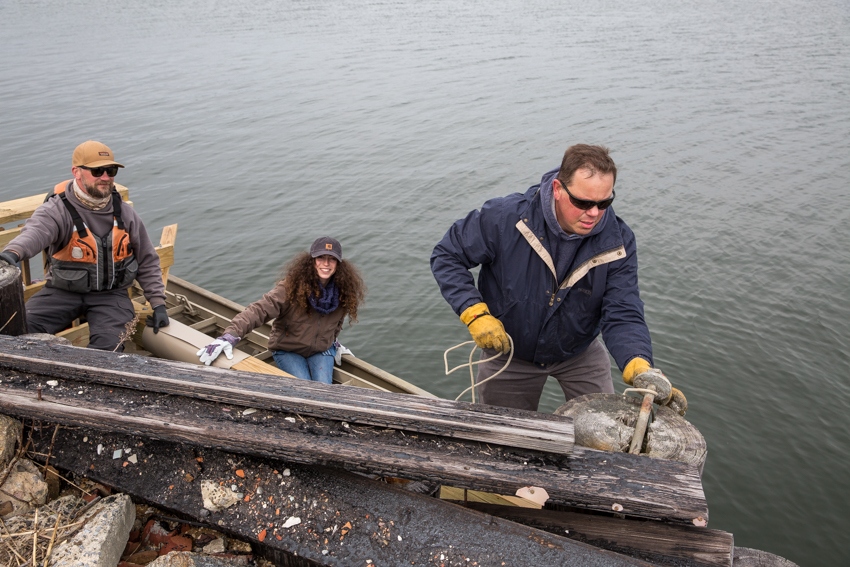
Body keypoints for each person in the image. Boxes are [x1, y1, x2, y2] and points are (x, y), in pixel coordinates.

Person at [431, 144, 687, 414]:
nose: (594, 214)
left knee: (605, 428)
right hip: (509, 351)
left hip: (579, 351)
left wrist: (638, 361)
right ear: (557, 189)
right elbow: (448, 255)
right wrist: (473, 312)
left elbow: (622, 309)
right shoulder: (504, 218)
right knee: (503, 435)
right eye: (583, 202)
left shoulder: (618, 241)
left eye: (605, 202)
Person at [0, 141, 169, 351]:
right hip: (61, 292)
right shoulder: (56, 209)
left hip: (111, 295)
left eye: (111, 170)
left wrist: (158, 304)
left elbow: (147, 260)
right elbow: (36, 232)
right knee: (15, 330)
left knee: (110, 347)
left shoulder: (126, 214)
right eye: (97, 171)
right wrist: (12, 253)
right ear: (77, 172)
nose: (105, 177)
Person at [197, 237, 366, 384]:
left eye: (332, 259)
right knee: (305, 388)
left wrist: (333, 341)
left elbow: (337, 322)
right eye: (321, 257)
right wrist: (230, 335)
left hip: (321, 350)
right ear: (312, 260)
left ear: (338, 264)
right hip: (288, 349)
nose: (326, 264)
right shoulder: (291, 287)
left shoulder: (343, 291)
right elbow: (259, 310)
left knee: (323, 390)